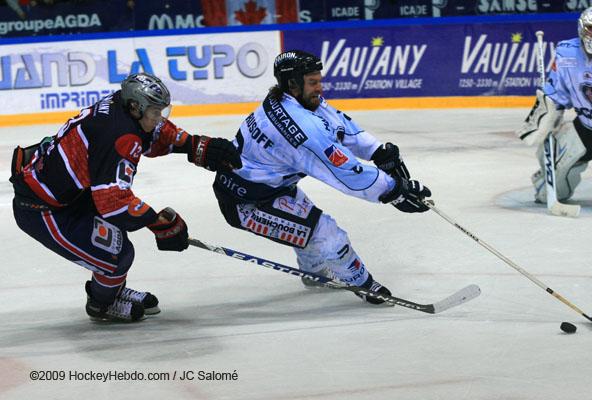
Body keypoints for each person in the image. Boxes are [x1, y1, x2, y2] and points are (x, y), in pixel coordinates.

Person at [10, 72, 241, 322]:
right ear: (135, 107)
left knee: (116, 240)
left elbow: (153, 135)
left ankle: (114, 290)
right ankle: (102, 304)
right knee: (116, 255)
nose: (160, 118)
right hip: (43, 210)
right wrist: (158, 222)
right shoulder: (119, 135)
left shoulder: (122, 107)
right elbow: (112, 201)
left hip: (69, 195)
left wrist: (193, 144)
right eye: (155, 112)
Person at [211, 50, 432, 304]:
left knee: (307, 225)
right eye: (313, 82)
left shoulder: (288, 101)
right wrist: (394, 191)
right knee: (326, 233)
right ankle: (363, 284)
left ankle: (314, 274)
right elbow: (347, 173)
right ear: (292, 84)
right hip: (246, 202)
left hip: (270, 187)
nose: (320, 87)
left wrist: (377, 151)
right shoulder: (301, 130)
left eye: (319, 80)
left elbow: (337, 123)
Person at [517, 6, 592, 203]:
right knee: (553, 184)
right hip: (588, 127)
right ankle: (548, 180)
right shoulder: (566, 53)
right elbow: (556, 91)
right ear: (581, 28)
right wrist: (546, 114)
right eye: (591, 28)